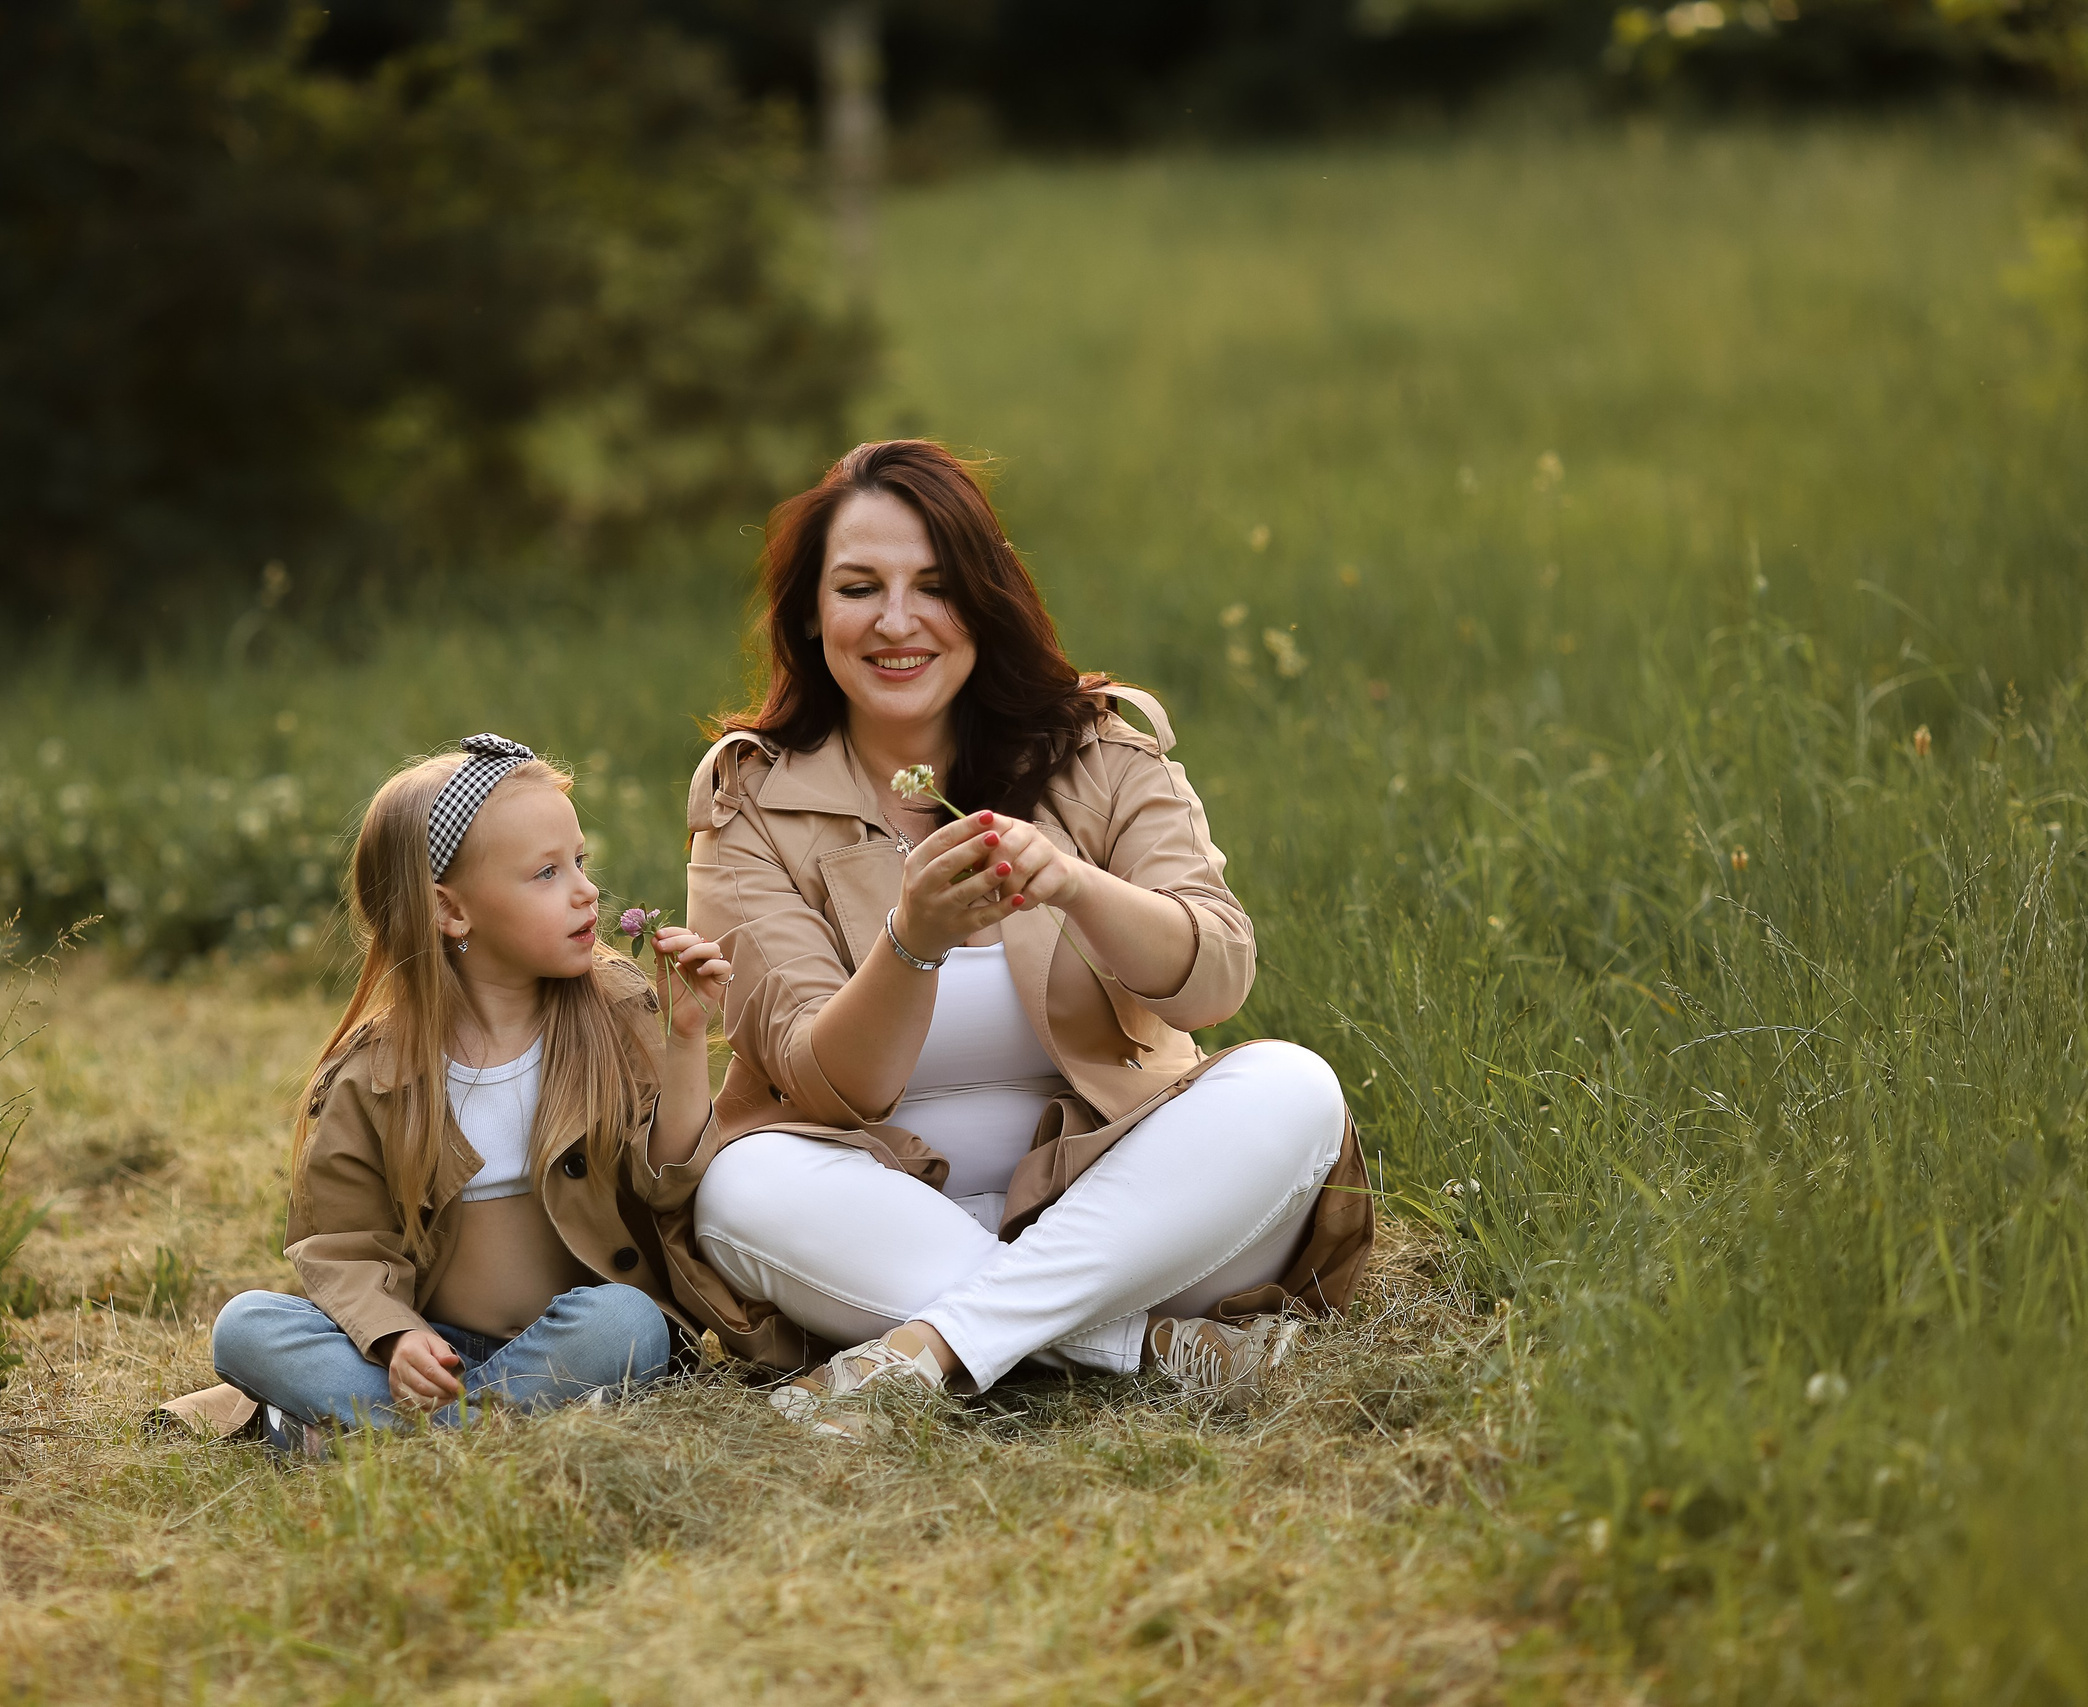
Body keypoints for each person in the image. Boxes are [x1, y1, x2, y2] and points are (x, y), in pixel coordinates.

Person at [668, 441, 1374, 1434]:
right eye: (859, 587)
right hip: (875, 1231)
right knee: (740, 1186)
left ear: (984, 602)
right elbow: (819, 1083)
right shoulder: (749, 802)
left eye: (935, 587)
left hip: (1136, 1216)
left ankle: (928, 1352)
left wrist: (1078, 886)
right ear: (810, 617)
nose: (897, 621)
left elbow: (1214, 982)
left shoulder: (1101, 751)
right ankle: (1139, 1347)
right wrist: (909, 943)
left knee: (1293, 1090)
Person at [157, 735, 733, 1455]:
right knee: (245, 1325)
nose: (587, 890)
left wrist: (685, 1038)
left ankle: (374, 1436)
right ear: (450, 911)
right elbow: (343, 1244)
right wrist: (397, 1336)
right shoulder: (374, 1074)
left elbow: (670, 1178)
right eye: (547, 872)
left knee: (628, 1324)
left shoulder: (614, 1009)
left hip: (573, 1339)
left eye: (580, 861)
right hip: (436, 1356)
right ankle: (464, 1428)